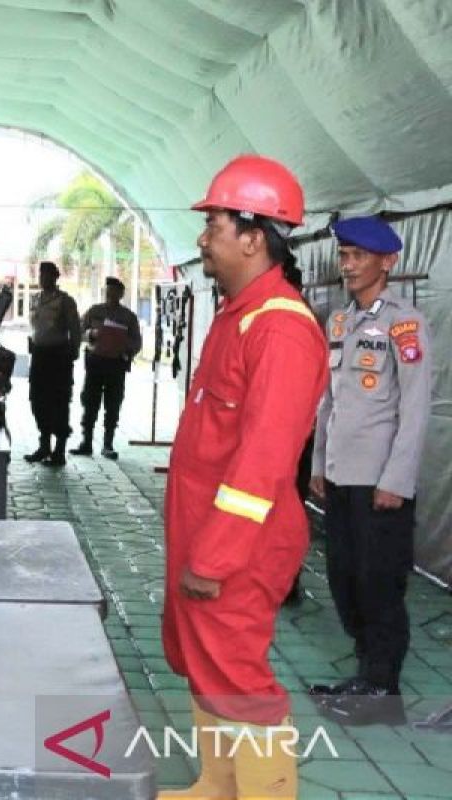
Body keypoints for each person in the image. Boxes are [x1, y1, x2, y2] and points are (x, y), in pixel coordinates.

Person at [160, 155, 326, 800]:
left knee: (239, 678)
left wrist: (216, 555)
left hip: (238, 547)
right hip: (207, 534)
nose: (203, 238)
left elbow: (262, 461)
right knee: (206, 665)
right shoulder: (239, 315)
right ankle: (219, 786)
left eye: (216, 224)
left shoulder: (280, 328)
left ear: (255, 236)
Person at [306, 215, 432, 726]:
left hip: (380, 483)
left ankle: (383, 689)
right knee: (343, 578)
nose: (348, 266)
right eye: (344, 256)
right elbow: (328, 401)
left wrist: (396, 482)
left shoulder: (406, 325)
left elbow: (416, 408)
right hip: (340, 476)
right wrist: (318, 461)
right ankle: (365, 675)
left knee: (379, 584)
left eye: (358, 257)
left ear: (388, 262)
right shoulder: (339, 322)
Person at [70, 276, 142, 459]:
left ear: (121, 294)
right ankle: (86, 442)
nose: (111, 295)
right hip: (95, 362)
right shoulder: (94, 311)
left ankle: (108, 444)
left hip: (116, 365)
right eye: (108, 291)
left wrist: (125, 346)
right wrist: (91, 334)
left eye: (115, 292)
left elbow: (137, 342)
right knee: (90, 402)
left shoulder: (128, 317)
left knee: (113, 404)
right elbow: (78, 331)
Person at [25, 261, 80, 465]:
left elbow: (75, 329)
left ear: (55, 278)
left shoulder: (65, 301)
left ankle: (59, 451)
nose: (43, 279)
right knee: (37, 401)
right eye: (41, 275)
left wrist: (73, 352)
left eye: (47, 275)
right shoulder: (35, 299)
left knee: (59, 402)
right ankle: (44, 445)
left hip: (58, 357)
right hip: (39, 355)